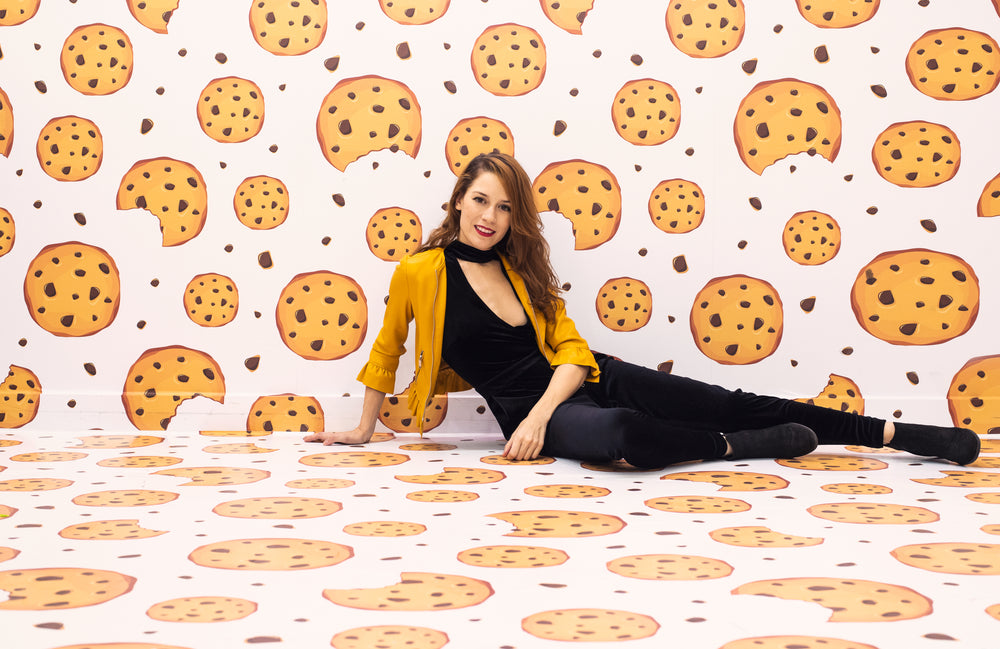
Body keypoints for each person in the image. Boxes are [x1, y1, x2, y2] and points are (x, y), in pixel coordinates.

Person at [305, 153, 980, 468]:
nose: (491, 216)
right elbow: (387, 348)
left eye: (506, 206)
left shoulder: (523, 268)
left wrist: (543, 413)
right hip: (534, 410)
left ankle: (902, 435)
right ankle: (744, 450)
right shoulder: (421, 272)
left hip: (578, 384)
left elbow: (570, 354)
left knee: (723, 395)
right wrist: (363, 430)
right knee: (621, 434)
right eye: (481, 200)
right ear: (458, 202)